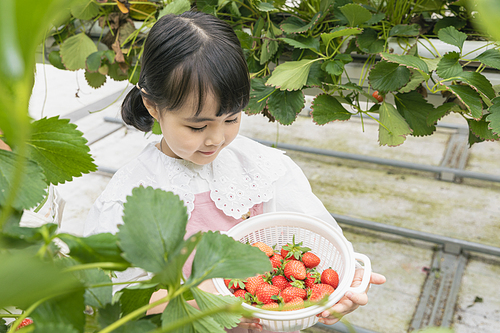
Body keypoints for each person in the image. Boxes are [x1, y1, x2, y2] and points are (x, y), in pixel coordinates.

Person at [83, 11, 386, 332]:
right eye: (197, 126)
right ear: (152, 106)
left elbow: (316, 239)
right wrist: (202, 299)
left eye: (231, 119)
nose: (216, 138)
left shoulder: (260, 167)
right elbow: (116, 297)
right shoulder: (131, 196)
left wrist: (344, 284)